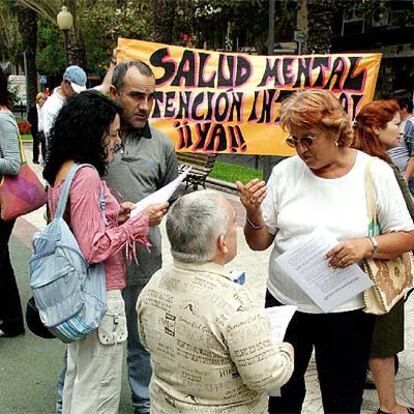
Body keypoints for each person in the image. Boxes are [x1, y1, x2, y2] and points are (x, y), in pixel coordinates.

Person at [236, 89, 414, 414]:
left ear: (335, 131)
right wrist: (253, 214)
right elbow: (258, 243)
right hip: (285, 305)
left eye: (308, 139)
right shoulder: (285, 172)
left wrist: (367, 246)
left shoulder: (375, 172)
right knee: (281, 396)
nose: (301, 150)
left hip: (347, 311)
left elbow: (407, 236)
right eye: (294, 141)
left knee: (342, 399)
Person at [43, 90, 168, 414]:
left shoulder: (63, 171)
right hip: (99, 297)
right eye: (112, 134)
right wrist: (140, 222)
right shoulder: (86, 175)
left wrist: (115, 216)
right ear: (92, 133)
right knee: (98, 394)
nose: (116, 142)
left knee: (78, 382)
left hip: (79, 294)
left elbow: (78, 226)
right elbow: (93, 247)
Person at [137, 190, 294, 413]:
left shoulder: (155, 283)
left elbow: (146, 341)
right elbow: (266, 378)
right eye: (233, 225)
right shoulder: (237, 304)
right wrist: (286, 351)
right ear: (222, 243)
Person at [105, 60, 179, 414]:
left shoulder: (162, 146)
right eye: (136, 96)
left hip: (145, 263)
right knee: (93, 343)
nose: (145, 105)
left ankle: (143, 403)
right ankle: (72, 401)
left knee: (142, 341)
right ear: (115, 93)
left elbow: (173, 198)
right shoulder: (96, 140)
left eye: (151, 96)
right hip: (99, 262)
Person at [352, 99, 414, 414]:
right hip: (380, 261)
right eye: (395, 125)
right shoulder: (383, 166)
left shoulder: (349, 160)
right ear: (376, 128)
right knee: (384, 337)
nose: (402, 131)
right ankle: (389, 406)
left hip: (350, 260)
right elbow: (409, 216)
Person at [0, 66, 25, 338]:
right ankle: (10, 319)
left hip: (5, 201)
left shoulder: (3, 118)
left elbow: (14, 164)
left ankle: (11, 320)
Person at [387, 95, 414, 195]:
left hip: (407, 180)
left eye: (395, 107)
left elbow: (413, 156)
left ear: (404, 108)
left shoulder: (410, 125)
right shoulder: (402, 123)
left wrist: (405, 179)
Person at [27, 92, 47, 164]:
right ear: (38, 100)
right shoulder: (33, 109)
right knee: (36, 145)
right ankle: (35, 159)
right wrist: (32, 124)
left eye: (44, 99)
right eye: (41, 99)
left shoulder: (46, 108)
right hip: (36, 130)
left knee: (44, 145)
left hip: (43, 129)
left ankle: (45, 159)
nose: (43, 101)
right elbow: (29, 118)